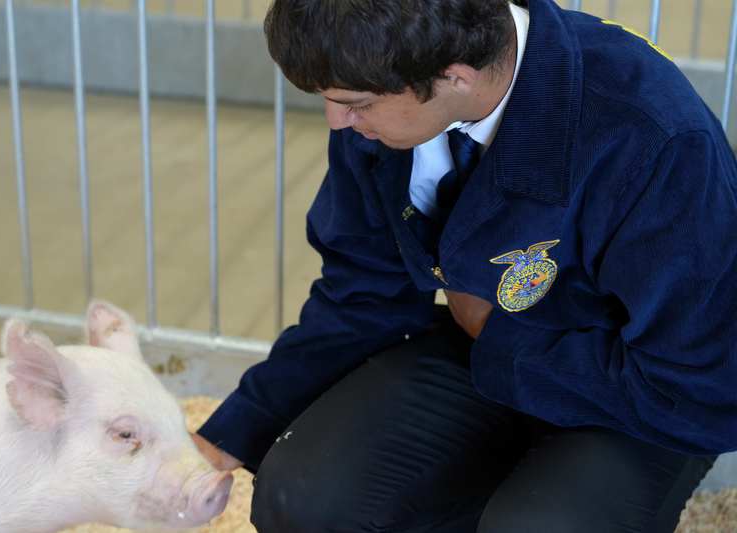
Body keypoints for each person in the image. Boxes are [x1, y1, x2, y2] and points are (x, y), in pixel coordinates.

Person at [193, 0, 737, 530]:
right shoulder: (383, 91)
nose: (338, 121)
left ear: (456, 76)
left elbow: (702, 386)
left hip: (632, 390)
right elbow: (362, 290)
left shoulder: (654, 135)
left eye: (356, 104)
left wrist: (496, 335)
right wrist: (235, 429)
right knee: (300, 498)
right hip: (480, 343)